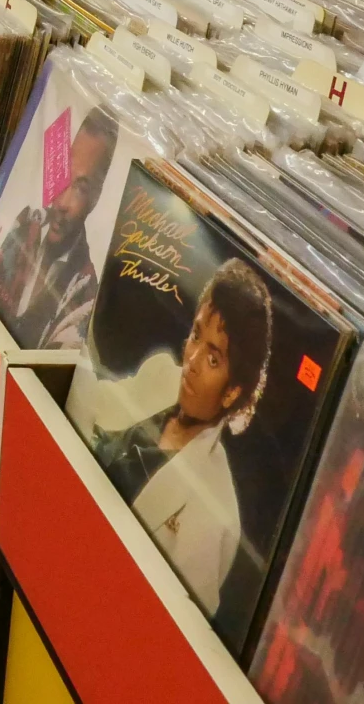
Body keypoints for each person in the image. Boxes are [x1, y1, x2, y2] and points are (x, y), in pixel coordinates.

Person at [89, 257, 272, 616]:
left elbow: (169, 626)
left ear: (233, 392)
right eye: (196, 335)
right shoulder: (162, 375)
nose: (192, 360)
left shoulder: (216, 515)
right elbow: (92, 405)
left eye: (214, 359)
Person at [0, 108, 118, 346]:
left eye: (80, 188)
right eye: (62, 177)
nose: (62, 203)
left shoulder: (85, 295)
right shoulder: (24, 225)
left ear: (97, 197)